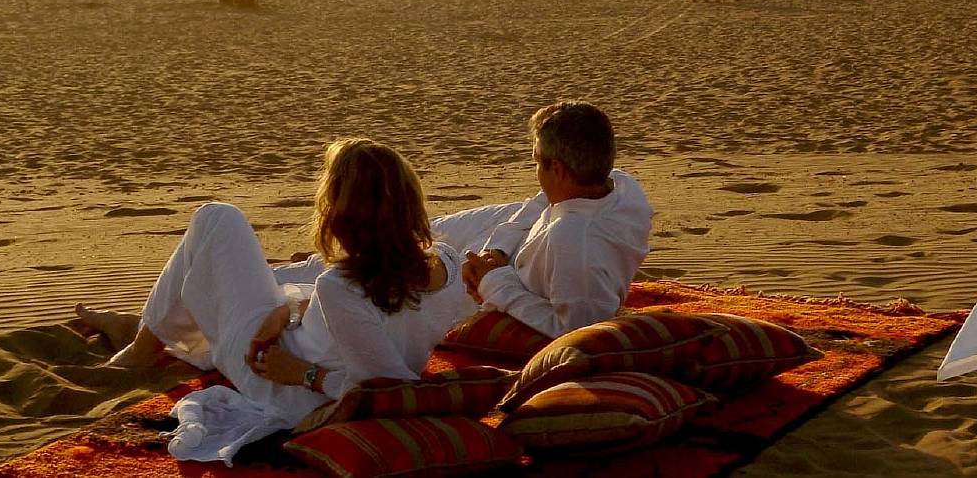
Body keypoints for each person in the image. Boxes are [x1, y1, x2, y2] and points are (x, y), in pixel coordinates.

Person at [75, 139, 471, 464]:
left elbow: (379, 391)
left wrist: (299, 372)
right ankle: (150, 335)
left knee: (215, 218)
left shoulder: (341, 286)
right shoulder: (449, 266)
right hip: (298, 337)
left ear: (339, 212)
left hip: (276, 375)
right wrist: (290, 310)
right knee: (269, 280)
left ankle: (142, 348)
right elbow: (381, 328)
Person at [433, 101, 653, 339]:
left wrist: (491, 280)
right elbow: (540, 202)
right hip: (507, 232)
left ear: (557, 170)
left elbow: (574, 329)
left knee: (409, 270)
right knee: (422, 229)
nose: (536, 171)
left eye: (538, 162)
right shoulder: (621, 185)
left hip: (497, 282)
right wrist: (497, 250)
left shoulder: (574, 240)